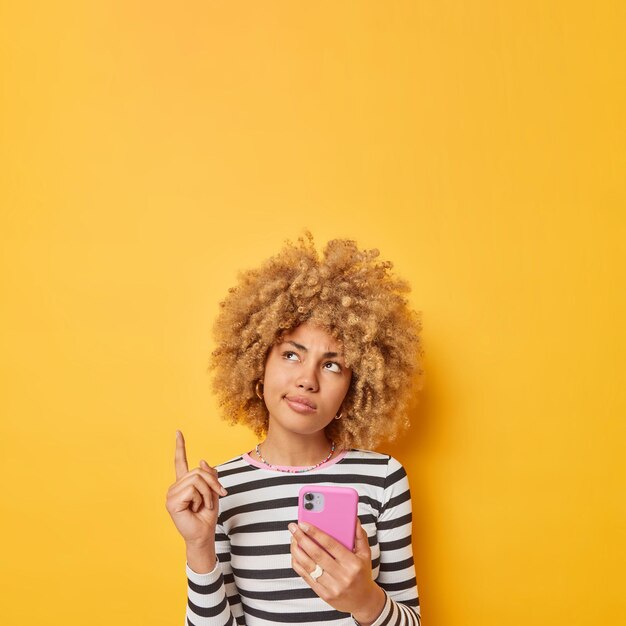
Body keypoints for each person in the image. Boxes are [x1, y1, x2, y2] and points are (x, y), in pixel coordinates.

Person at [166, 233, 424, 626]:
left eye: (332, 365)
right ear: (258, 364)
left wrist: (365, 601)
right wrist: (198, 547)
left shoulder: (383, 479)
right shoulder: (221, 491)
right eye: (291, 355)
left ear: (355, 390)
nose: (307, 380)